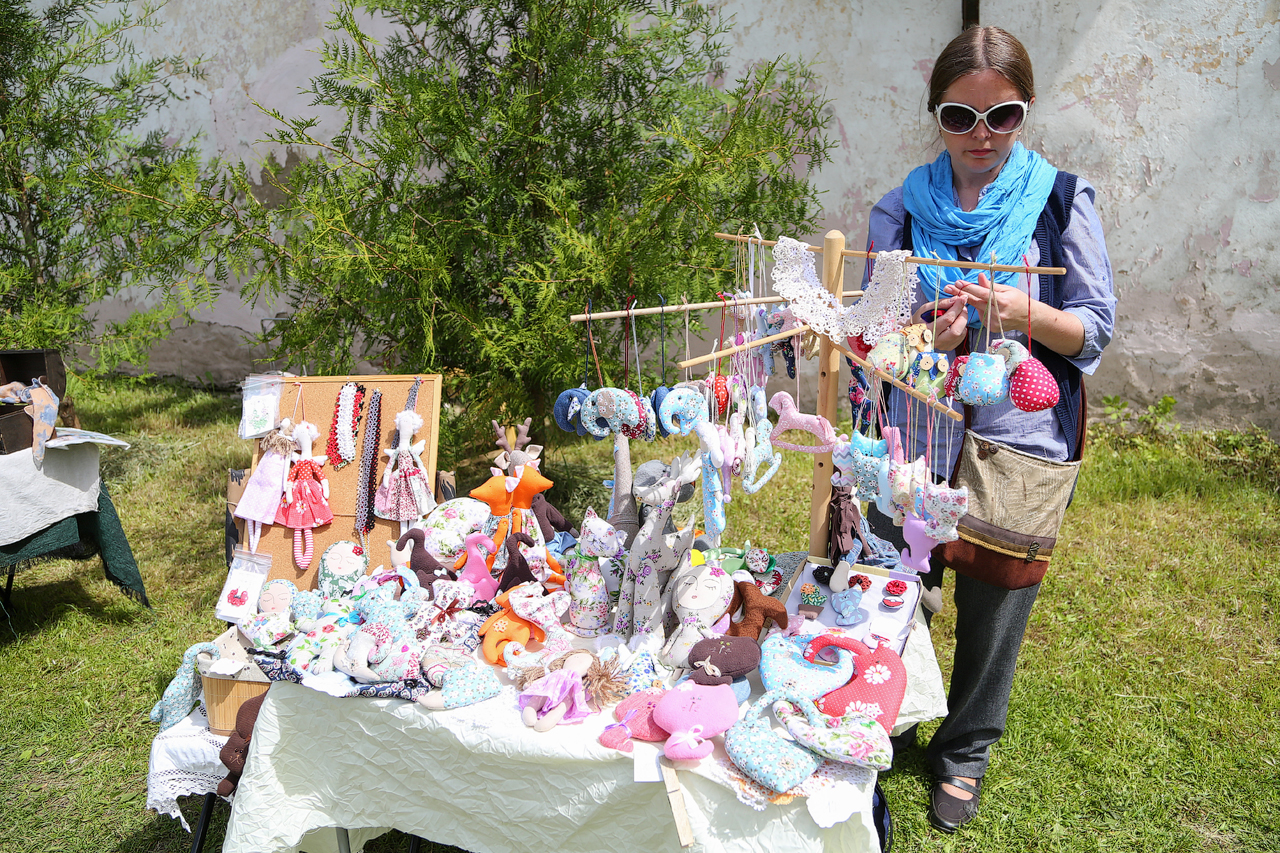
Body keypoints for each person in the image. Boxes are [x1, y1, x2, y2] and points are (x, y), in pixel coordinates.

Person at [860, 26, 1116, 833]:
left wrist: (1020, 312)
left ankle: (965, 747)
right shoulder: (899, 211)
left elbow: (1094, 331)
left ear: (1025, 110)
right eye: (959, 117)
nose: (981, 135)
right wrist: (921, 340)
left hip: (1019, 439)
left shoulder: (1061, 200)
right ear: (934, 115)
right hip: (911, 434)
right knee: (891, 585)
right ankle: (880, 716)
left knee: (997, 599)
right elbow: (872, 337)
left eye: (1001, 115)